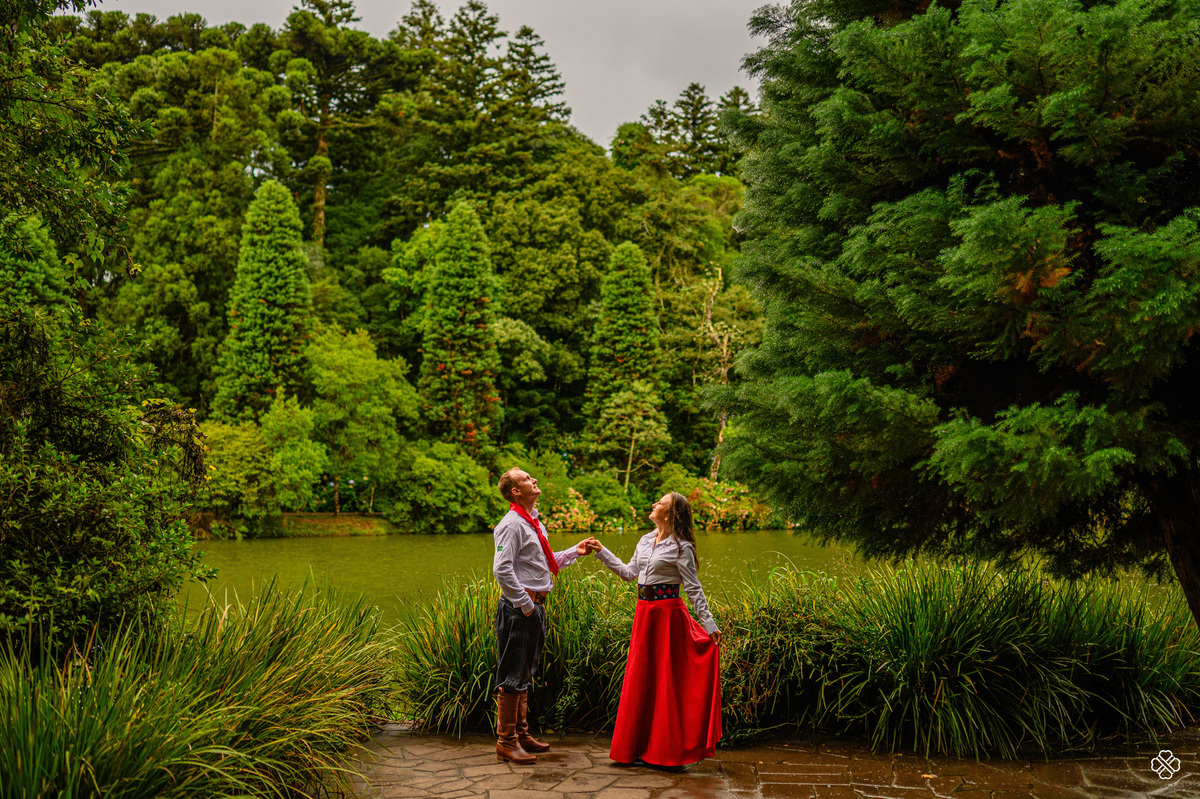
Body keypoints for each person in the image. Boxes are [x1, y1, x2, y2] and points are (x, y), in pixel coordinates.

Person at [591, 491, 722, 767]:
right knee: (642, 678)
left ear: (671, 513)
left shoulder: (681, 546)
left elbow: (692, 587)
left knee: (664, 682)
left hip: (668, 618)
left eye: (660, 502)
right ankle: (636, 747)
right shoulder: (645, 539)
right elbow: (629, 573)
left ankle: (666, 751)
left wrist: (709, 624)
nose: (654, 504)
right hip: (645, 615)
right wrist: (602, 551)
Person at [492, 467, 597, 765]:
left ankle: (522, 735)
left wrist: (574, 551)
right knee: (512, 674)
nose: (534, 480)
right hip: (519, 609)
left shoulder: (532, 522)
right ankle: (506, 742)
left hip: (533, 607)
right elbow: (502, 569)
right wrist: (526, 605)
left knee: (525, 672)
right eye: (526, 479)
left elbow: (543, 564)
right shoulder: (512, 525)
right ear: (515, 491)